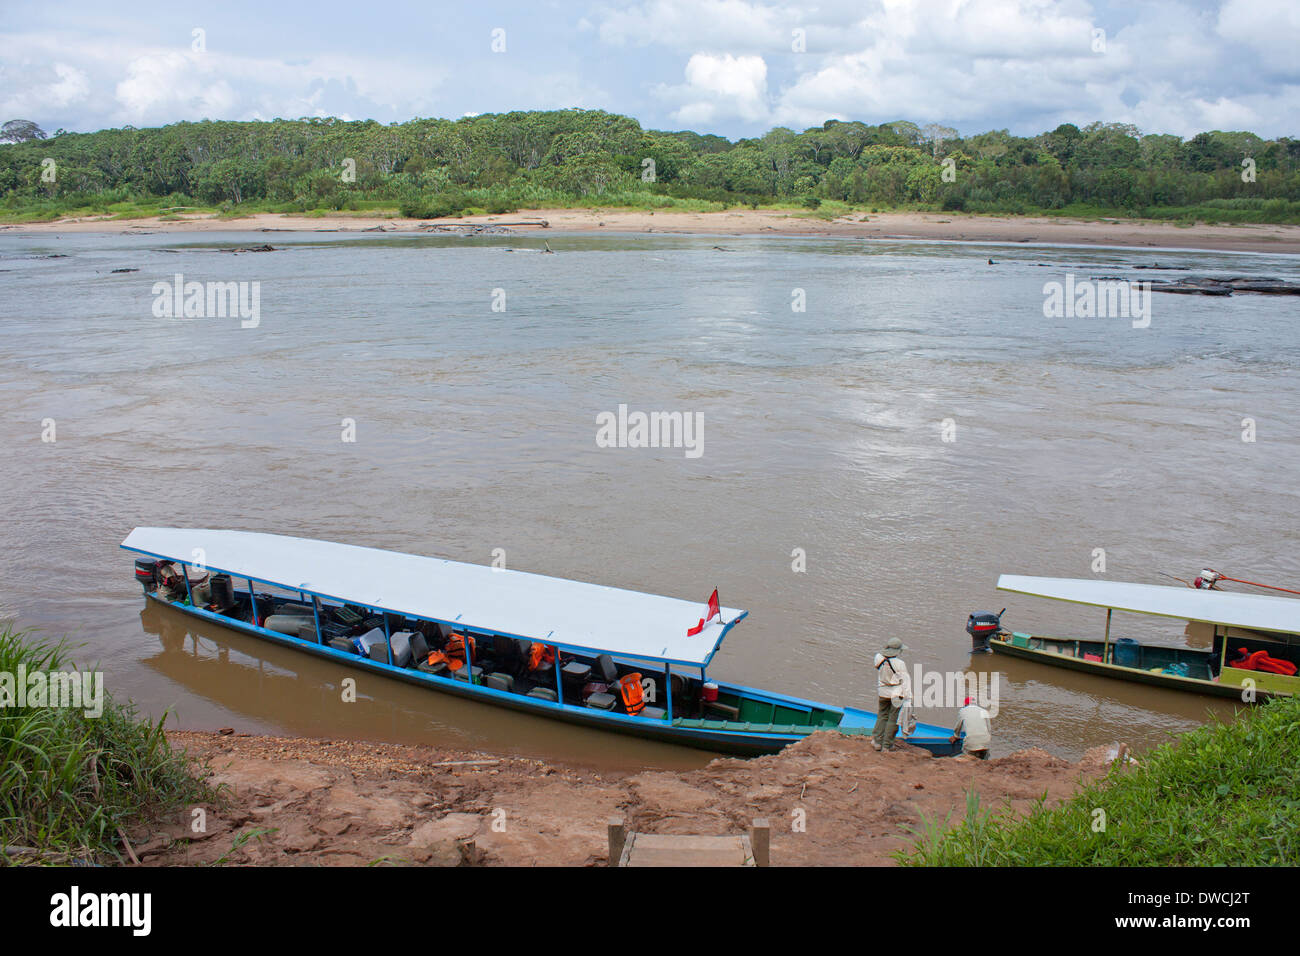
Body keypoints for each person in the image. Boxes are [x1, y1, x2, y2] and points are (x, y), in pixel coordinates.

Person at [871, 637, 912, 752]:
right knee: (893, 719)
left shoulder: (878, 657)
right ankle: (887, 745)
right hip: (896, 694)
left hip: (883, 691)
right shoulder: (900, 664)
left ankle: (877, 742)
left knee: (882, 715)